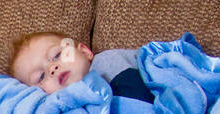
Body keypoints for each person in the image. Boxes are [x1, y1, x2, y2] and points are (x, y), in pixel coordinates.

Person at [9, 31, 154, 103]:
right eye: (41, 77)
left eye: (57, 55)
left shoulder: (104, 63)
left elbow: (140, 99)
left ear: (84, 52)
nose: (52, 69)